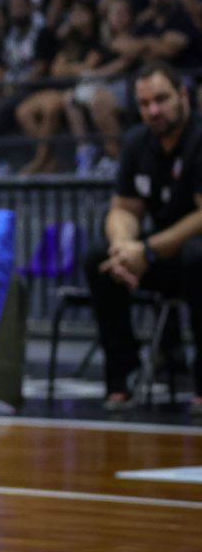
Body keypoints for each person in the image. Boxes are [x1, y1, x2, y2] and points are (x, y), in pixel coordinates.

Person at [83, 62, 202, 413]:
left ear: (183, 96)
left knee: (198, 257)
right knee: (99, 259)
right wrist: (124, 247)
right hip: (159, 255)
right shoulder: (138, 141)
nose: (153, 110)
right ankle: (124, 375)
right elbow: (123, 209)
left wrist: (147, 250)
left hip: (191, 253)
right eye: (145, 103)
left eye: (162, 100)